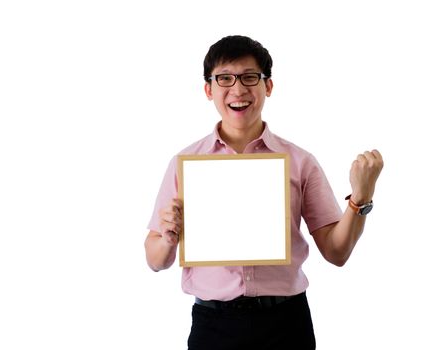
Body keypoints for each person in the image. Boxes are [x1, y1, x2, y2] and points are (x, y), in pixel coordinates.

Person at [144, 35, 384, 350]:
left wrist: (360, 197)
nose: (238, 89)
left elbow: (336, 252)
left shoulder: (300, 162)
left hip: (285, 324)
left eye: (249, 77)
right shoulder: (185, 164)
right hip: (213, 326)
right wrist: (168, 239)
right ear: (209, 89)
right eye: (225, 78)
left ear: (267, 86)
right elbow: (155, 259)